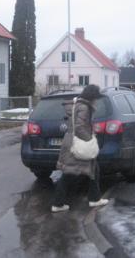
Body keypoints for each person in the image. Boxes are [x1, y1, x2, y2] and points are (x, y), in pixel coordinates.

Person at [52, 84, 108, 212]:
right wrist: (90, 140)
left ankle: (94, 199)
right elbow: (79, 127)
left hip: (72, 141)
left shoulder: (78, 104)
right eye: (96, 97)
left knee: (92, 170)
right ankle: (58, 204)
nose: (96, 100)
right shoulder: (84, 107)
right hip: (78, 144)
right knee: (69, 174)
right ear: (92, 97)